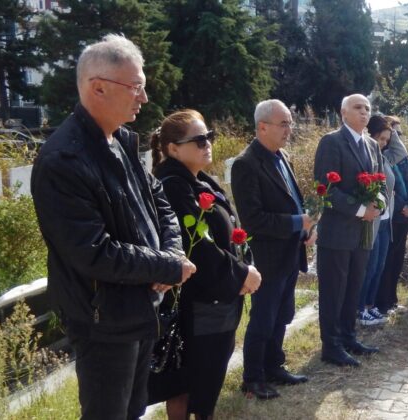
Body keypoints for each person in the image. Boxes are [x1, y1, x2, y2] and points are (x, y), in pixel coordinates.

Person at [31, 34, 196, 420]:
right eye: (136, 87)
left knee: (134, 410)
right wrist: (165, 267)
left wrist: (170, 254)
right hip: (103, 321)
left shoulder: (120, 139)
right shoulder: (63, 160)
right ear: (98, 87)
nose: (144, 98)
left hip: (138, 309)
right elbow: (93, 251)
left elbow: (160, 204)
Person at [147, 110, 262, 416]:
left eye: (208, 136)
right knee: (194, 378)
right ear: (172, 148)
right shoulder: (173, 185)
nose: (207, 144)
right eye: (198, 140)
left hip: (216, 296)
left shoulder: (197, 179)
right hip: (199, 300)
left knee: (204, 378)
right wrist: (242, 273)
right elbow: (196, 249)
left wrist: (244, 261)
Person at [232, 99, 315, 398]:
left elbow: (294, 201)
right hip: (268, 256)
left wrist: (306, 229)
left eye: (290, 123)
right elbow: (253, 220)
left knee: (283, 313)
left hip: (291, 251)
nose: (289, 129)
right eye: (284, 123)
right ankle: (253, 378)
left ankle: (274, 366)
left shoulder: (282, 157)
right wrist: (297, 222)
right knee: (264, 317)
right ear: (262, 126)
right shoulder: (246, 164)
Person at [313, 94, 385, 367]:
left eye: (367, 108)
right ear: (344, 113)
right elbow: (325, 186)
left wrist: (379, 204)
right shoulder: (332, 142)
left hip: (363, 232)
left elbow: (379, 181)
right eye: (358, 108)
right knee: (334, 289)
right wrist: (359, 210)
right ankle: (330, 345)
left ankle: (348, 336)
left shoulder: (371, 145)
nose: (364, 112)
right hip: (338, 230)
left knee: (354, 286)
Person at [375, 116, 408, 317]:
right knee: (386, 262)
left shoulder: (397, 156)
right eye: (391, 134)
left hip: (403, 216)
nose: (393, 138)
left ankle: (391, 300)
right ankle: (382, 302)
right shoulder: (379, 157)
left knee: (397, 260)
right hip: (391, 216)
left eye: (395, 134)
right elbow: (388, 190)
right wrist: (403, 206)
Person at [357, 115, 395, 326]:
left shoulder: (385, 156)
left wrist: (389, 128)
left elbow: (400, 152)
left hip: (385, 221)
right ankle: (360, 308)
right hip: (372, 221)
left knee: (378, 266)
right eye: (380, 138)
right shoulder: (367, 157)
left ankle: (370, 306)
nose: (384, 143)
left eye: (386, 140)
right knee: (369, 267)